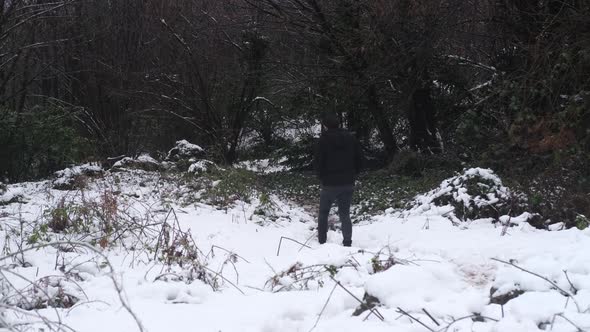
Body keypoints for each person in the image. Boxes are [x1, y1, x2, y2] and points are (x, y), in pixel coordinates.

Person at [313, 112, 363, 247]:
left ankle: (322, 241)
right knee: (345, 214)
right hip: (348, 182)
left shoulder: (323, 140)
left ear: (325, 125)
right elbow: (359, 158)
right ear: (339, 123)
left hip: (329, 183)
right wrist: (354, 174)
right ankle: (347, 242)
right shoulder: (350, 138)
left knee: (323, 212)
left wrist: (321, 176)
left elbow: (318, 161)